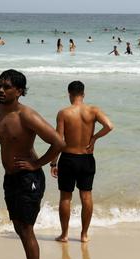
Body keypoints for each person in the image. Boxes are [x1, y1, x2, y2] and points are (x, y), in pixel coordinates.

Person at [0, 70, 65, 259]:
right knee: (19, 227)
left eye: (6, 87)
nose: (1, 90)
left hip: (30, 179)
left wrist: (37, 164)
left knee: (26, 229)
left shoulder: (26, 115)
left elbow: (59, 142)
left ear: (18, 91)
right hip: (11, 177)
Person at [51, 81, 114, 243]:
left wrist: (53, 163)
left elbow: (59, 140)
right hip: (87, 158)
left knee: (65, 197)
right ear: (83, 94)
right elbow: (109, 125)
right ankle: (84, 235)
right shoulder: (93, 111)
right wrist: (95, 137)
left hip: (68, 158)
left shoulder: (64, 113)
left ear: (69, 94)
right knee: (86, 196)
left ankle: (64, 235)